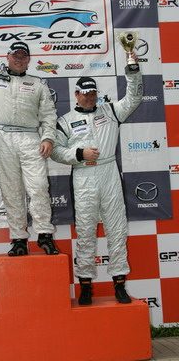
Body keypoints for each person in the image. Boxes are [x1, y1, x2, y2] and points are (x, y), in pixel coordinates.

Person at [51, 54, 142, 305]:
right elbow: (56, 152)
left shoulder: (110, 110)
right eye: (84, 93)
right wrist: (78, 154)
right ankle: (86, 285)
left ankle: (119, 284)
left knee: (117, 229)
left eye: (92, 92)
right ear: (77, 94)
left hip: (109, 172)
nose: (89, 97)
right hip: (83, 176)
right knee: (86, 231)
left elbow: (134, 98)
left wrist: (132, 69)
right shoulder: (65, 121)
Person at [0, 15, 59, 256]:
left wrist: (48, 137)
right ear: (7, 58)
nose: (19, 59)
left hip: (30, 139)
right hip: (2, 138)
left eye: (23, 56)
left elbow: (49, 116)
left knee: (39, 187)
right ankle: (18, 238)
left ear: (29, 60)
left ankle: (45, 235)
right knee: (11, 190)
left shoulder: (38, 83)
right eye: (15, 55)